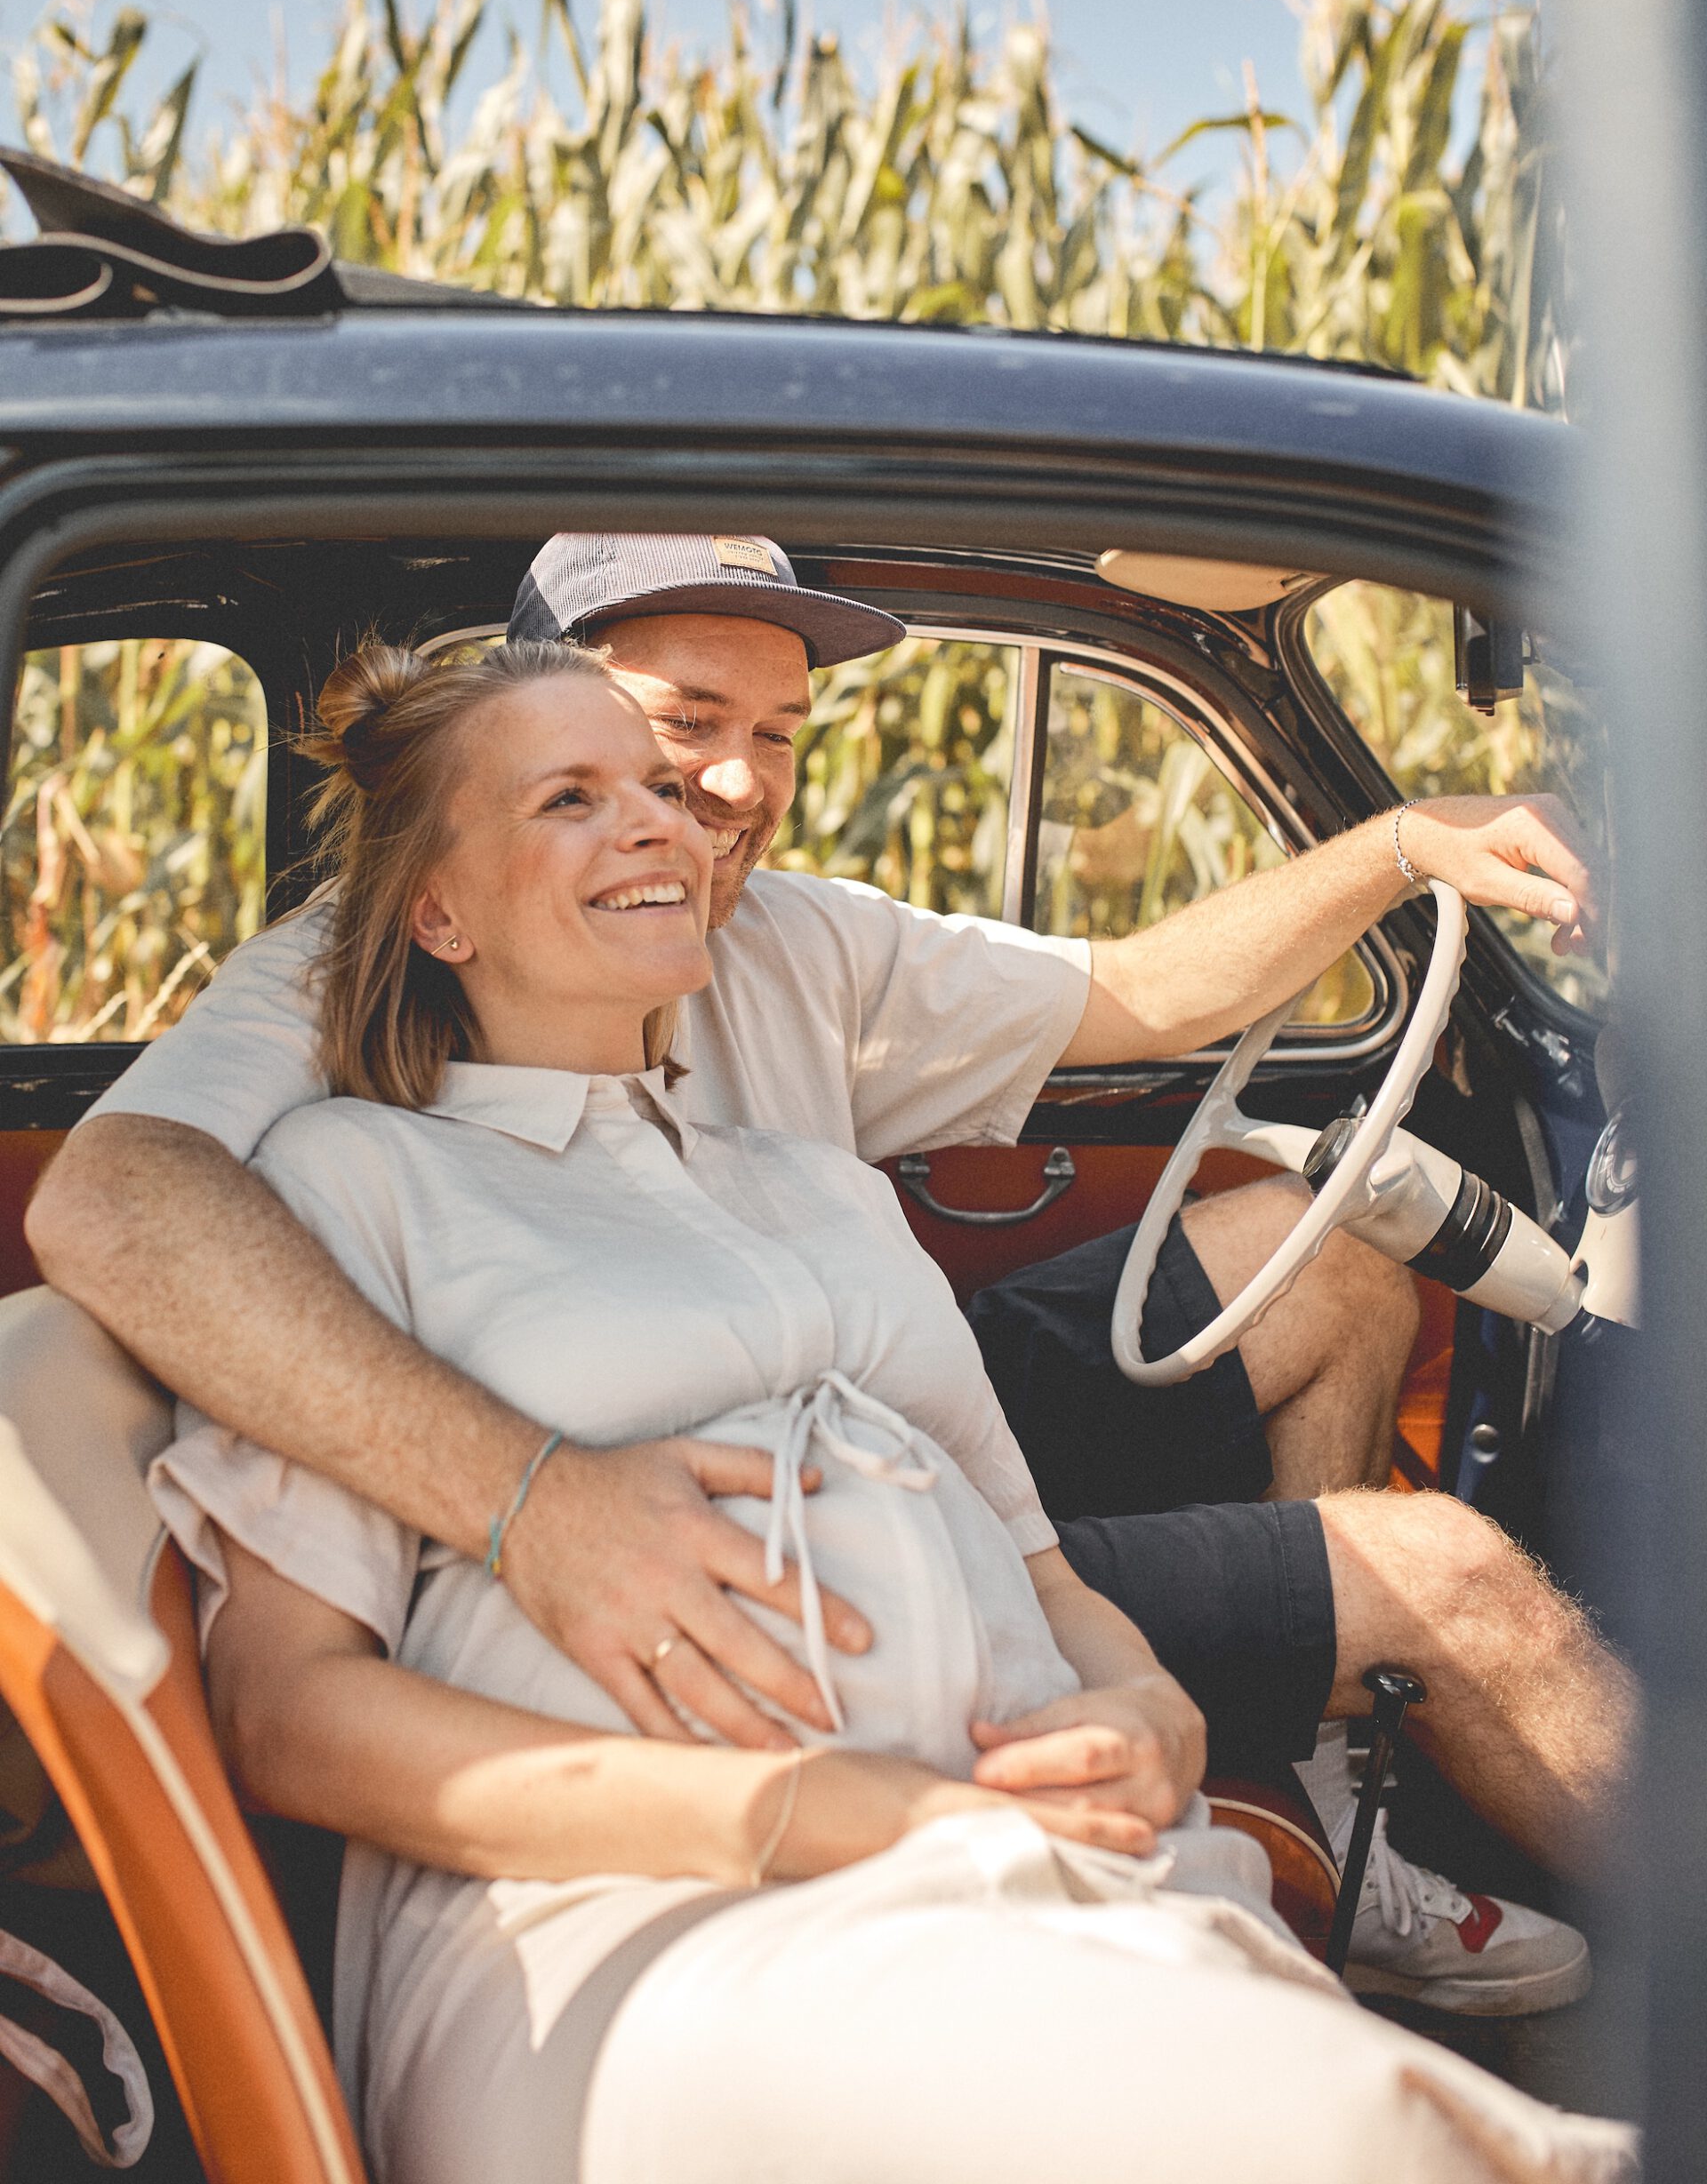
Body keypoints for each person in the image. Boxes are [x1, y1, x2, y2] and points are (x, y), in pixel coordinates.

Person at [27, 533, 1627, 2014]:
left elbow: (1135, 993)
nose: (726, 783)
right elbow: (112, 1198)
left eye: (779, 732)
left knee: (1330, 1257)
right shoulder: (366, 984)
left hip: (908, 1422)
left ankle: (1321, 1799)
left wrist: (1411, 845)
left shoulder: (794, 942)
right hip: (734, 1538)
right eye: (676, 723)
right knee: (1454, 1583)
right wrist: (532, 1495)